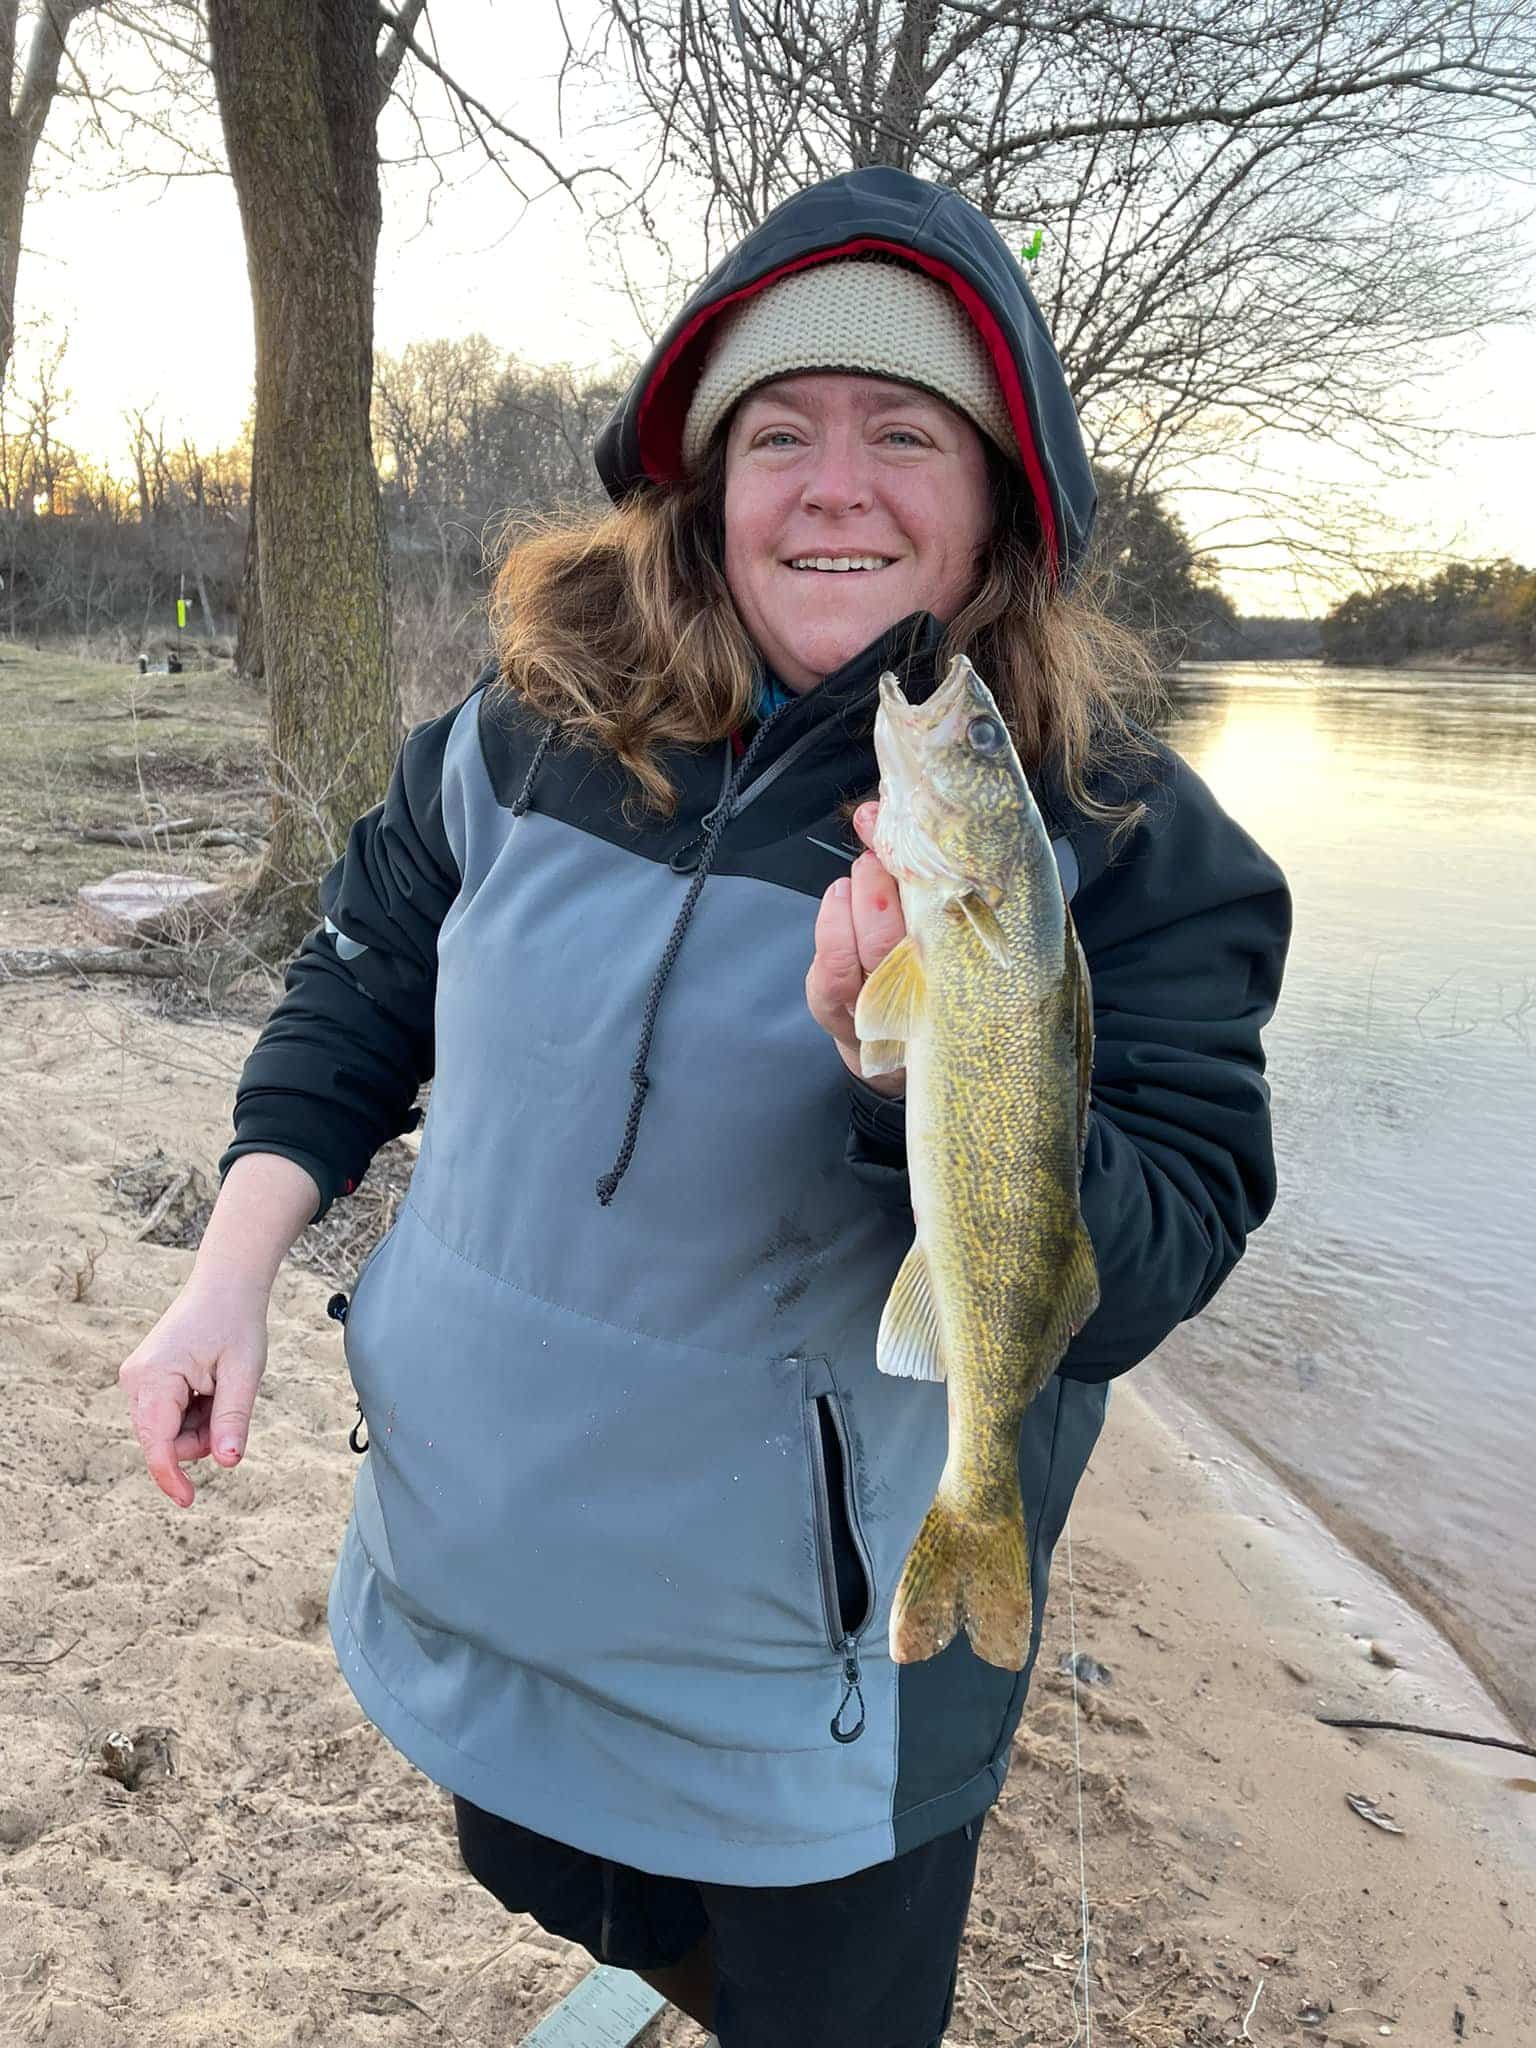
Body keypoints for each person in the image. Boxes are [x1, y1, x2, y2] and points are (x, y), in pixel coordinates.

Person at [118, 166, 1291, 2047]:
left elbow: (1146, 1265)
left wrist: (919, 1061)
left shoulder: (1120, 846)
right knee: (548, 1884)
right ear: (706, 482)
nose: (835, 484)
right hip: (486, 1578)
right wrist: (228, 1273)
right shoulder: (518, 732)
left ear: (999, 497)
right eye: (780, 433)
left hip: (815, 1691)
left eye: (905, 431)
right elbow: (355, 988)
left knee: (816, 2006)